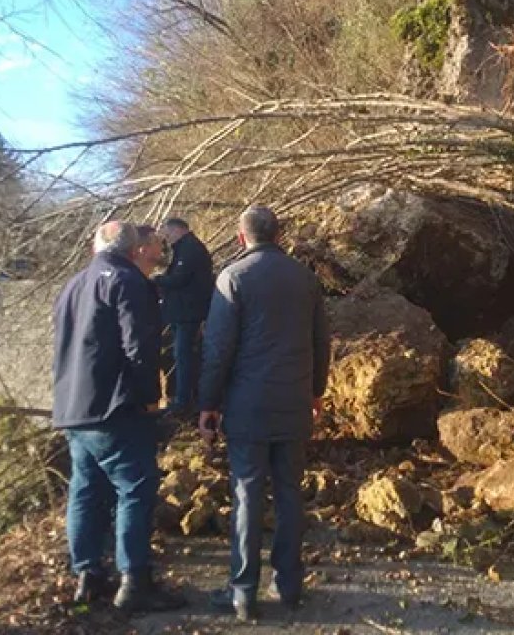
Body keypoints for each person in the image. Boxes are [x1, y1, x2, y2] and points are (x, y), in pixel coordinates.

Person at [198, 206, 330, 621]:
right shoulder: (305, 279)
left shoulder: (233, 278)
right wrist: (316, 391)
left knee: (247, 493)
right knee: (290, 491)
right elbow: (321, 341)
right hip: (293, 402)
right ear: (281, 233)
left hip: (247, 405)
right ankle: (289, 585)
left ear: (241, 237)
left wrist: (208, 404)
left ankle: (242, 592)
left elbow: (218, 350)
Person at [51, 221, 184, 613]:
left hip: (75, 408)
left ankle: (88, 575)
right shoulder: (128, 281)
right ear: (133, 250)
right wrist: (148, 397)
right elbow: (139, 346)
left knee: (85, 492)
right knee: (135, 489)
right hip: (115, 407)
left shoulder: (72, 285)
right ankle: (134, 581)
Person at [154, 217, 214, 413]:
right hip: (182, 311)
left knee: (183, 355)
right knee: (180, 354)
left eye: (168, 232)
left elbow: (180, 278)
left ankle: (184, 399)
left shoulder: (190, 249)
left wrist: (158, 280)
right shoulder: (185, 248)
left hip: (188, 312)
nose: (167, 237)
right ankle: (182, 396)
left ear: (177, 230)